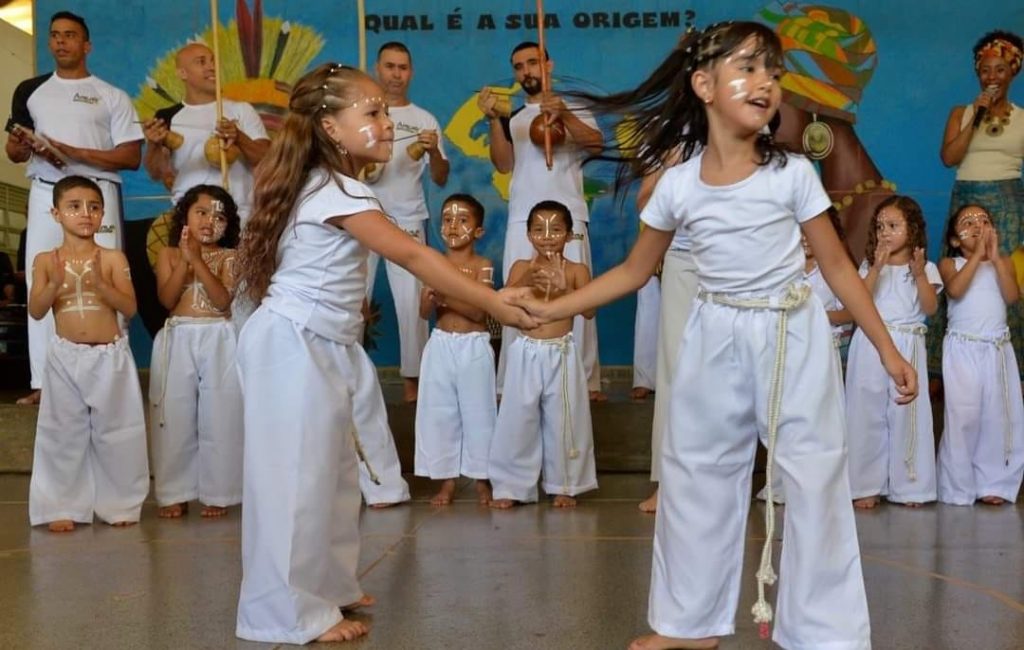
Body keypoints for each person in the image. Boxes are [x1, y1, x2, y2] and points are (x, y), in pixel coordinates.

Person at [508, 22, 917, 650]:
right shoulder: (678, 184)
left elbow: (837, 267)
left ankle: (825, 631)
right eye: (748, 68)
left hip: (790, 333)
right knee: (696, 474)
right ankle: (689, 625)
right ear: (703, 85)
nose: (765, 82)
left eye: (772, 72)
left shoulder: (792, 174)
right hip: (714, 332)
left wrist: (887, 349)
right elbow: (632, 271)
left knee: (814, 477)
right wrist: (549, 308)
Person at [232, 62, 534, 644]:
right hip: (294, 344)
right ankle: (286, 614)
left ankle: (329, 586)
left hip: (323, 342)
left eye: (386, 111)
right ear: (330, 127)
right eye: (371, 112)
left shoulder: (331, 185)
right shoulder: (336, 190)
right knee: (295, 480)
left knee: (334, 475)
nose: (387, 123)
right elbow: (415, 256)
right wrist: (494, 302)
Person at [5, 10, 142, 406]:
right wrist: (21, 144)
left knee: (107, 275)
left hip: (98, 194)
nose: (61, 41)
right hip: (46, 192)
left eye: (70, 35)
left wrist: (74, 153)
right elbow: (13, 152)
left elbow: (131, 156)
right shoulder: (31, 91)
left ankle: (113, 377)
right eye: (55, 35)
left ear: (87, 45)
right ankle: (43, 382)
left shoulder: (111, 95)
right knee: (43, 277)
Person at [478, 41, 605, 400]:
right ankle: (512, 380)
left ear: (548, 65)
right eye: (519, 66)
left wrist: (563, 115)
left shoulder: (574, 107)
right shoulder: (516, 118)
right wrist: (494, 120)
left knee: (577, 294)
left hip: (569, 217)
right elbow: (503, 164)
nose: (526, 71)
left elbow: (596, 145)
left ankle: (585, 380)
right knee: (519, 293)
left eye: (533, 62)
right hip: (523, 218)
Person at [27, 176, 148, 532]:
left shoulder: (112, 258)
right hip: (66, 356)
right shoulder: (45, 261)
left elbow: (130, 307)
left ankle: (120, 504)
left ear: (102, 214)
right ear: (56, 213)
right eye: (75, 206)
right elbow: (36, 311)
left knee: (119, 432)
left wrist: (101, 286)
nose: (85, 214)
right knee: (62, 433)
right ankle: (60, 506)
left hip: (109, 356)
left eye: (94, 207)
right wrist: (52, 285)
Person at [489, 200, 597, 509]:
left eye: (556, 229)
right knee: (517, 418)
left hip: (561, 352)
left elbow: (589, 311)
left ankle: (565, 484)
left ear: (570, 235)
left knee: (565, 418)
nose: (547, 236)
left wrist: (567, 291)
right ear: (528, 234)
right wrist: (525, 281)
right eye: (539, 229)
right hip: (526, 351)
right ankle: (512, 486)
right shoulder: (521, 267)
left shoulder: (577, 271)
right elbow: (503, 301)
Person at [149, 185, 243, 519]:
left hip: (218, 337)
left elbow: (222, 301)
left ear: (228, 225)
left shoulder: (231, 257)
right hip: (178, 335)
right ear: (185, 216)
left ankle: (219, 492)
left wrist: (199, 262)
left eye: (219, 217)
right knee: (174, 415)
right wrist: (185, 261)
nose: (209, 221)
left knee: (221, 414)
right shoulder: (168, 254)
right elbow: (167, 299)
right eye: (201, 212)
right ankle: (175, 492)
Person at [938, 30, 1024, 377]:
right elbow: (949, 158)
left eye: (1000, 69)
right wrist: (976, 117)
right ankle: (949, 366)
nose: (992, 77)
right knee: (963, 275)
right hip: (966, 199)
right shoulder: (961, 113)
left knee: (1007, 276)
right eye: (985, 70)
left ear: (1013, 72)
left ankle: (1014, 367)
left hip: (1009, 203)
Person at [366, 41, 449, 403]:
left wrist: (433, 151)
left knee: (413, 306)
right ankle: (347, 376)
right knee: (352, 299)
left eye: (402, 67)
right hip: (363, 216)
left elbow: (441, 177)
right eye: (389, 66)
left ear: (411, 72)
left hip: (408, 217)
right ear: (377, 69)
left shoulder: (424, 119)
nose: (396, 74)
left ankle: (414, 383)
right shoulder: (362, 114)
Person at [846, 196, 940, 509]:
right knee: (865, 411)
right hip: (871, 342)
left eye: (893, 225)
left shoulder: (925, 268)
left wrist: (919, 274)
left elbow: (930, 307)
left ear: (912, 229)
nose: (884, 232)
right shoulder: (869, 266)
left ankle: (911, 486)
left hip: (907, 343)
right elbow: (859, 299)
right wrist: (876, 267)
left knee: (907, 414)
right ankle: (865, 484)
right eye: (880, 227)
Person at [936, 204, 1024, 505]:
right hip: (963, 348)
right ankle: (957, 487)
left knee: (997, 416)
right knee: (963, 416)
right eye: (968, 222)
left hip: (996, 349)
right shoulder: (950, 263)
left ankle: (993, 483)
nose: (977, 225)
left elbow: (1011, 296)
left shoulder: (1003, 262)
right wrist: (976, 256)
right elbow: (956, 291)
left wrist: (995, 256)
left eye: (984, 220)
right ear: (954, 239)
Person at [415, 193, 497, 506]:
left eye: (463, 220)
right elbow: (424, 312)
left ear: (478, 231)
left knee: (479, 413)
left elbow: (478, 311)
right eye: (447, 219)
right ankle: (445, 482)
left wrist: (445, 296)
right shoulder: (433, 264)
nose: (452, 226)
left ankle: (482, 480)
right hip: (440, 344)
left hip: (473, 346)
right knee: (438, 413)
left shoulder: (483, 265)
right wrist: (429, 300)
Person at [142, 42, 270, 222]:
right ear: (182, 73)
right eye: (201, 62)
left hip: (238, 212)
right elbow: (156, 173)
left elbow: (267, 159)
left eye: (213, 61)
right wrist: (154, 145)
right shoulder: (167, 116)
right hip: (190, 214)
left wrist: (239, 137)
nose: (211, 67)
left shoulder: (242, 110)